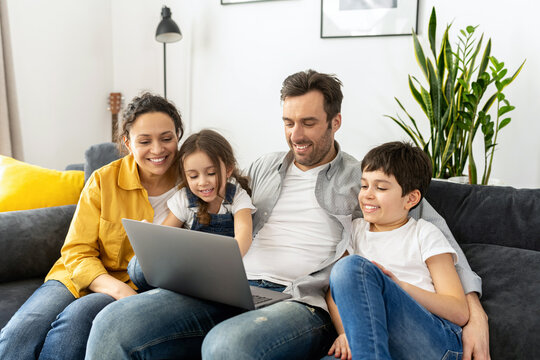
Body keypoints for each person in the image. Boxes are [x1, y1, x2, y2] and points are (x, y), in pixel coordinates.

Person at [85, 70, 490, 360]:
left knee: (228, 347)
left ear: (336, 122)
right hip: (233, 287)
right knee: (114, 324)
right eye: (288, 122)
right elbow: (209, 191)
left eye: (309, 123)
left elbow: (434, 232)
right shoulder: (263, 167)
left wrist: (475, 317)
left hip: (301, 303)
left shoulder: (363, 178)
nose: (296, 134)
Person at [0, 93, 184, 360]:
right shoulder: (103, 180)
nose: (157, 150)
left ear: (178, 136)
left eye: (166, 138)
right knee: (20, 333)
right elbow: (76, 251)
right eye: (145, 141)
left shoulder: (192, 182)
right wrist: (118, 290)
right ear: (127, 143)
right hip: (76, 276)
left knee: (73, 327)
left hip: (133, 282)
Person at [326, 141, 469, 360]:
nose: (367, 195)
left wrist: (400, 287)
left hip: (435, 341)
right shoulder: (355, 230)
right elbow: (335, 292)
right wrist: (346, 333)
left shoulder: (424, 233)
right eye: (364, 186)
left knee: (350, 266)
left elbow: (459, 311)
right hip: (376, 341)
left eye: (381, 188)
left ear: (411, 199)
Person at [128, 129, 256, 291]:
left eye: (211, 173)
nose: (202, 182)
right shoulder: (185, 199)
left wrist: (221, 266)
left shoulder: (237, 196)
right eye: (193, 176)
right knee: (137, 267)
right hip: (189, 269)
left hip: (222, 269)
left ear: (228, 169)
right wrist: (149, 236)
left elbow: (244, 236)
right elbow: (165, 236)